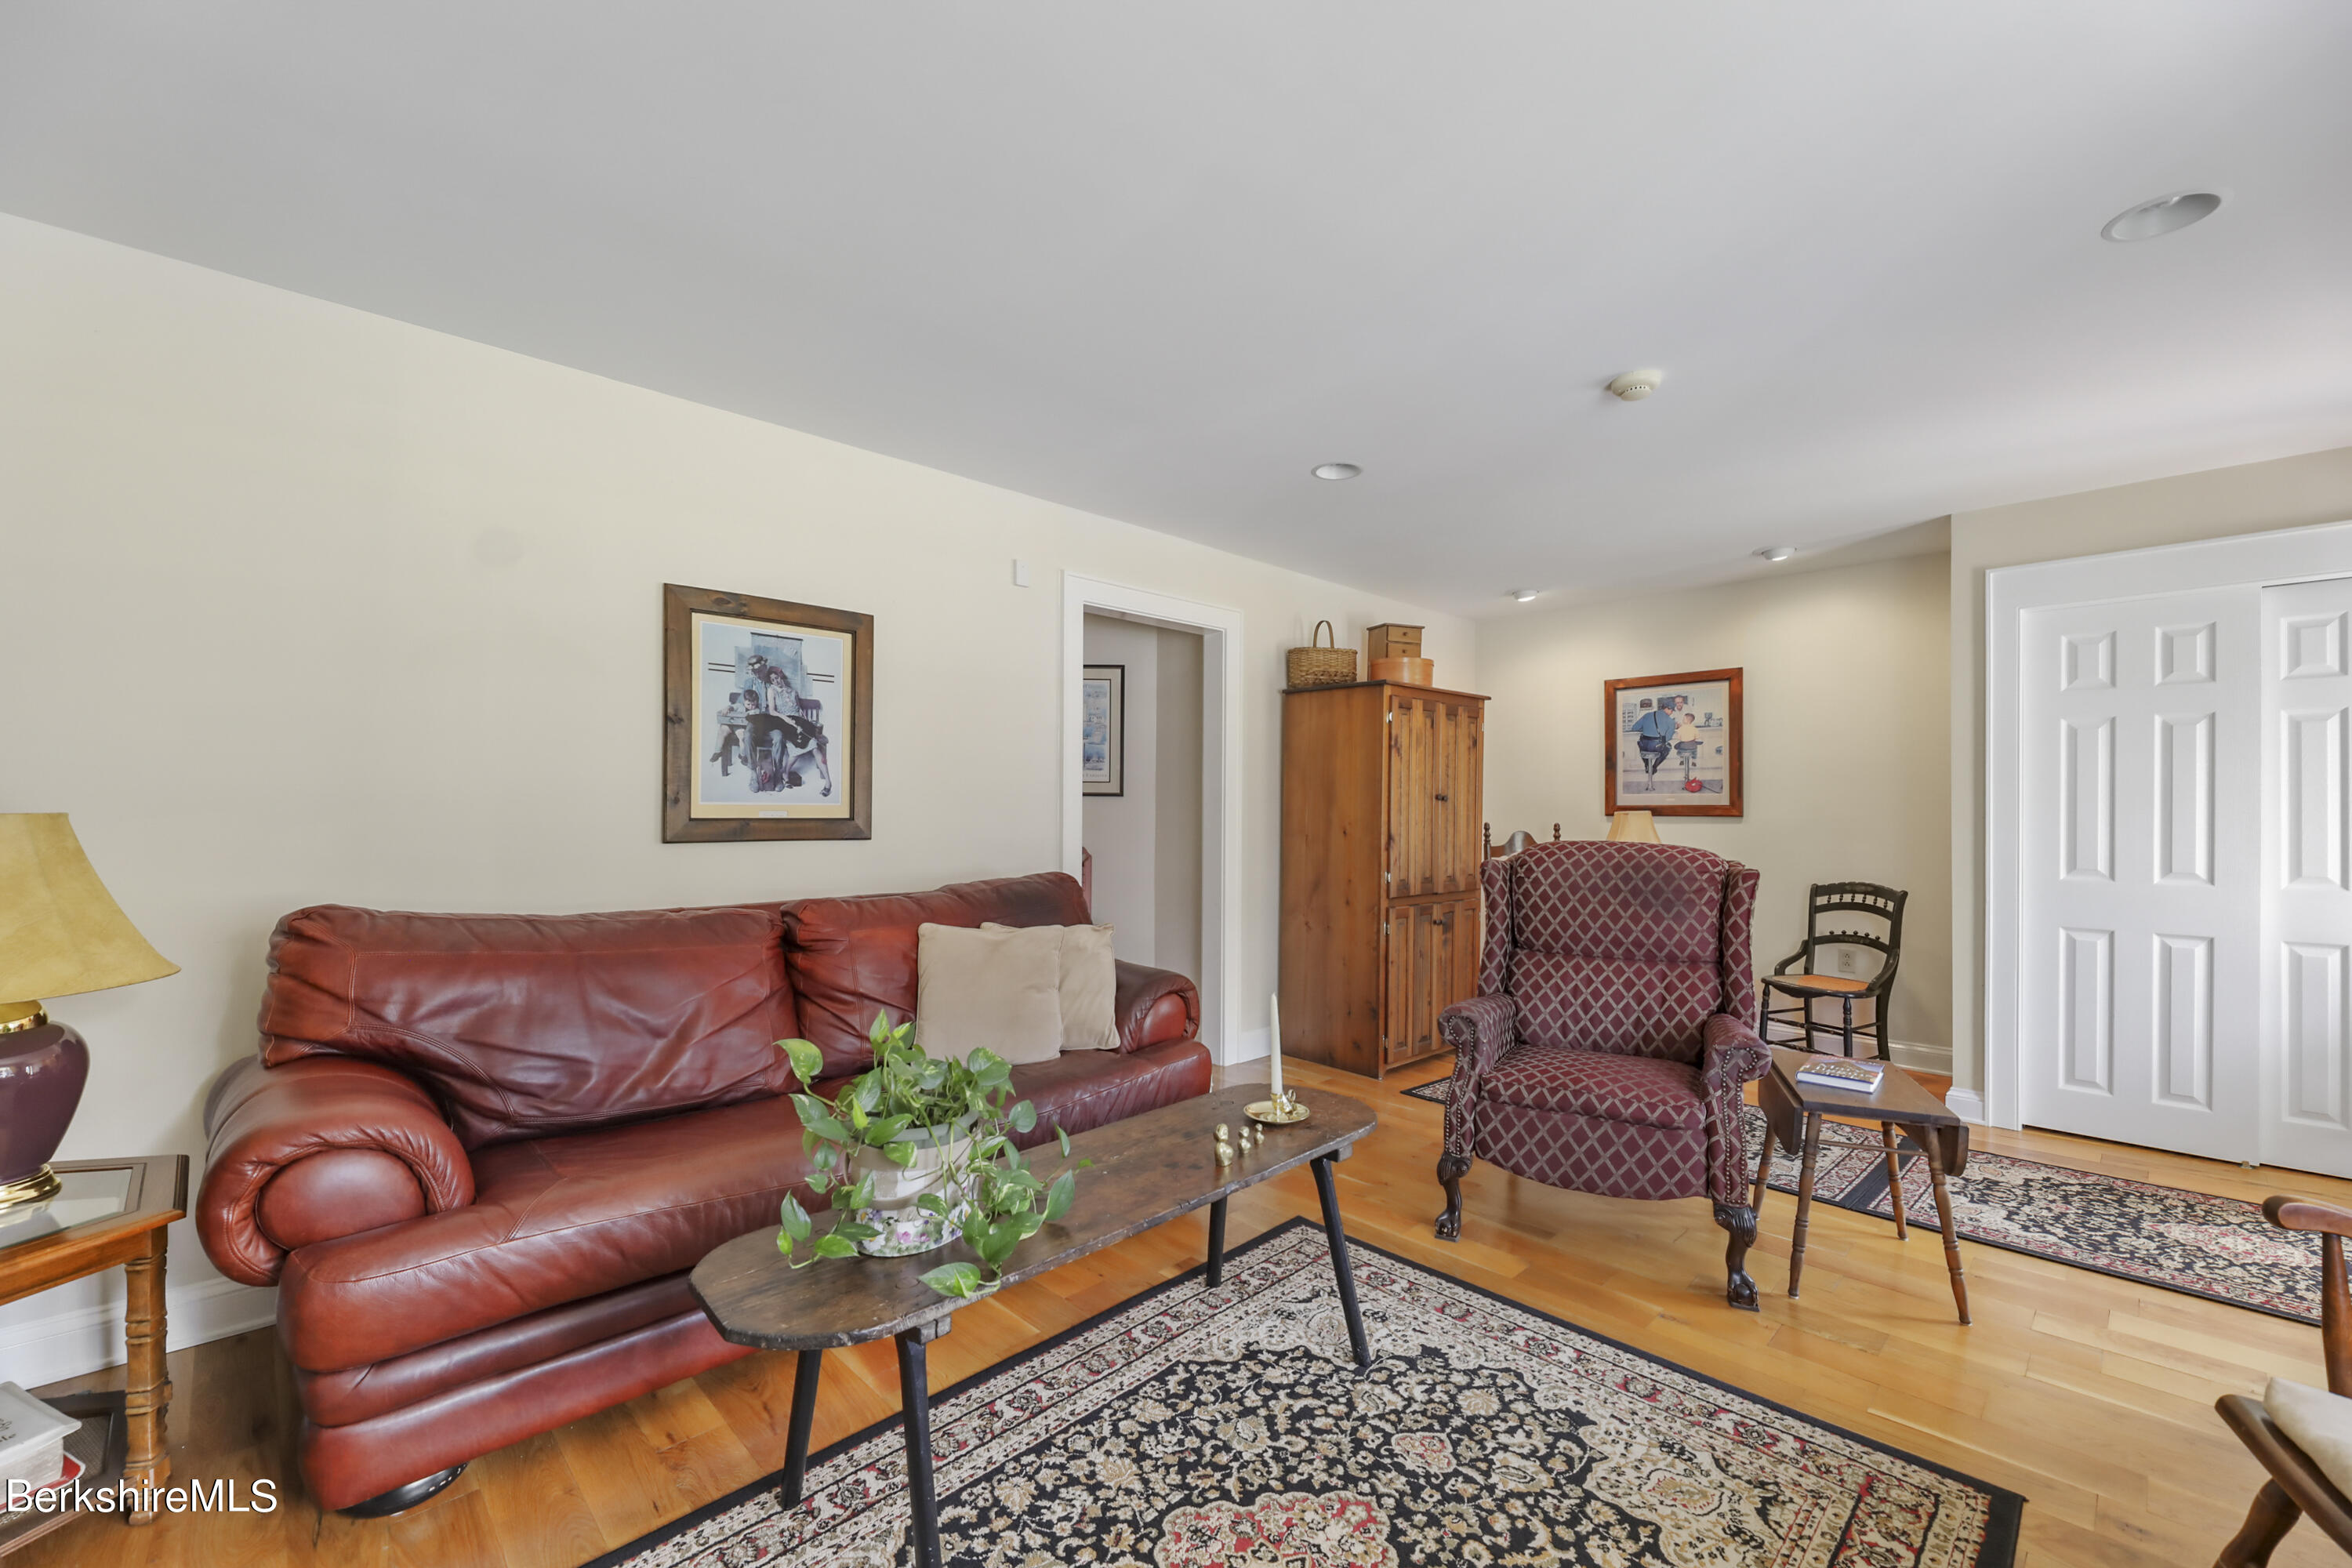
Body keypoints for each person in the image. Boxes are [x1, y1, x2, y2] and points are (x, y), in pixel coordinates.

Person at [1632, 699, 1675, 784]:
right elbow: (1667, 738)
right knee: (1668, 747)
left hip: (1644, 745)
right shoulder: (1671, 721)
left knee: (1641, 745)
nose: (1672, 712)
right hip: (1656, 747)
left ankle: (1647, 765)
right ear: (1668, 708)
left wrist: (1647, 728)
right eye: (1672, 710)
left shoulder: (1647, 715)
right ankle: (1654, 767)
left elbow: (1634, 728)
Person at [710, 688, 751, 776]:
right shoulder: (740, 706)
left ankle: (742, 755)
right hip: (731, 723)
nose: (750, 706)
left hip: (740, 727)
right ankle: (718, 751)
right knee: (722, 730)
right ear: (744, 701)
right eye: (748, 704)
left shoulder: (755, 710)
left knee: (742, 736)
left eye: (752, 704)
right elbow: (732, 707)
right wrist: (728, 708)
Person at [1672, 696, 1702, 782]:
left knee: (1680, 745)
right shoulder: (1674, 710)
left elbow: (1691, 718)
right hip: (1692, 744)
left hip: (1684, 742)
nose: (1679, 704)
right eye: (1677, 703)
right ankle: (1694, 760)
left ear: (1683, 702)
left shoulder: (1688, 709)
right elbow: (1673, 721)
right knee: (1694, 748)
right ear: (1675, 703)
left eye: (1681, 702)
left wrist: (1682, 729)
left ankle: (1682, 758)